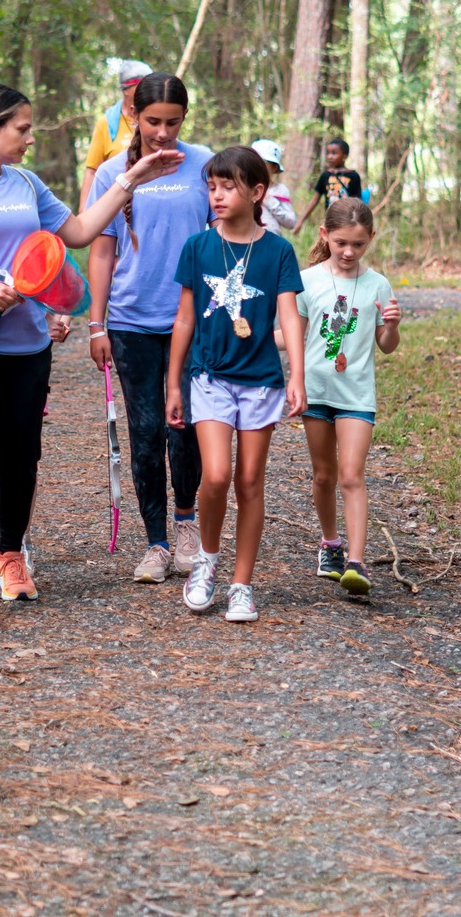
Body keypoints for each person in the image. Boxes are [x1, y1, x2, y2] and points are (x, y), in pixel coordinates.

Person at [0, 83, 184, 636]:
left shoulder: (27, 184)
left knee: (21, 458)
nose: (30, 138)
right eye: (22, 129)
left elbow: (76, 231)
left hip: (26, 346)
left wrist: (129, 180)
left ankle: (10, 556)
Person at [167, 146, 306, 622]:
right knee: (218, 476)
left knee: (249, 481)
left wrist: (297, 378)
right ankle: (206, 560)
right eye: (212, 187)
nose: (218, 196)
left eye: (228, 187)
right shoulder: (198, 246)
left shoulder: (278, 251)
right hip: (209, 377)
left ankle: (242, 584)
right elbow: (184, 319)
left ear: (257, 191)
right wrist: (173, 384)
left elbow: (289, 313)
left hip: (262, 381)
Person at [85, 73, 213, 584]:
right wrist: (97, 324)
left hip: (192, 320)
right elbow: (100, 249)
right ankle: (155, 543)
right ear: (133, 116)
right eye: (153, 121)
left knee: (184, 429)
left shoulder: (203, 163)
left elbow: (223, 232)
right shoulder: (114, 173)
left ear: (185, 118)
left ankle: (186, 525)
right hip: (132, 321)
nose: (162, 132)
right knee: (145, 433)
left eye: (173, 122)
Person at [298, 199, 401, 596]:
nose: (348, 252)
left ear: (370, 239)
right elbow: (296, 336)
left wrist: (391, 326)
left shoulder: (378, 284)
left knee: (351, 476)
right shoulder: (307, 281)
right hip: (317, 391)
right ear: (325, 235)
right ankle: (331, 545)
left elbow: (387, 345)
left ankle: (356, 563)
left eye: (358, 245)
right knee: (324, 474)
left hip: (356, 393)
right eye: (341, 242)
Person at [80, 58, 154, 209]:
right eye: (142, 84)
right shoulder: (106, 123)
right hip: (114, 205)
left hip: (151, 200)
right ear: (126, 89)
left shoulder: (156, 119)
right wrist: (84, 210)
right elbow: (92, 170)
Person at [297, 136, 364, 229]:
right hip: (330, 221)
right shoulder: (326, 175)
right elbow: (315, 199)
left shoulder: (353, 176)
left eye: (334, 153)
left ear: (344, 156)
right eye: (328, 153)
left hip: (347, 223)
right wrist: (301, 221)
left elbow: (357, 202)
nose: (329, 157)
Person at [251, 139, 299, 234]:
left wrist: (270, 202)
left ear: (274, 167)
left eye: (263, 163)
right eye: (254, 162)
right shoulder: (244, 187)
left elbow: (291, 223)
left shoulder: (280, 190)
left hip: (272, 244)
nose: (257, 166)